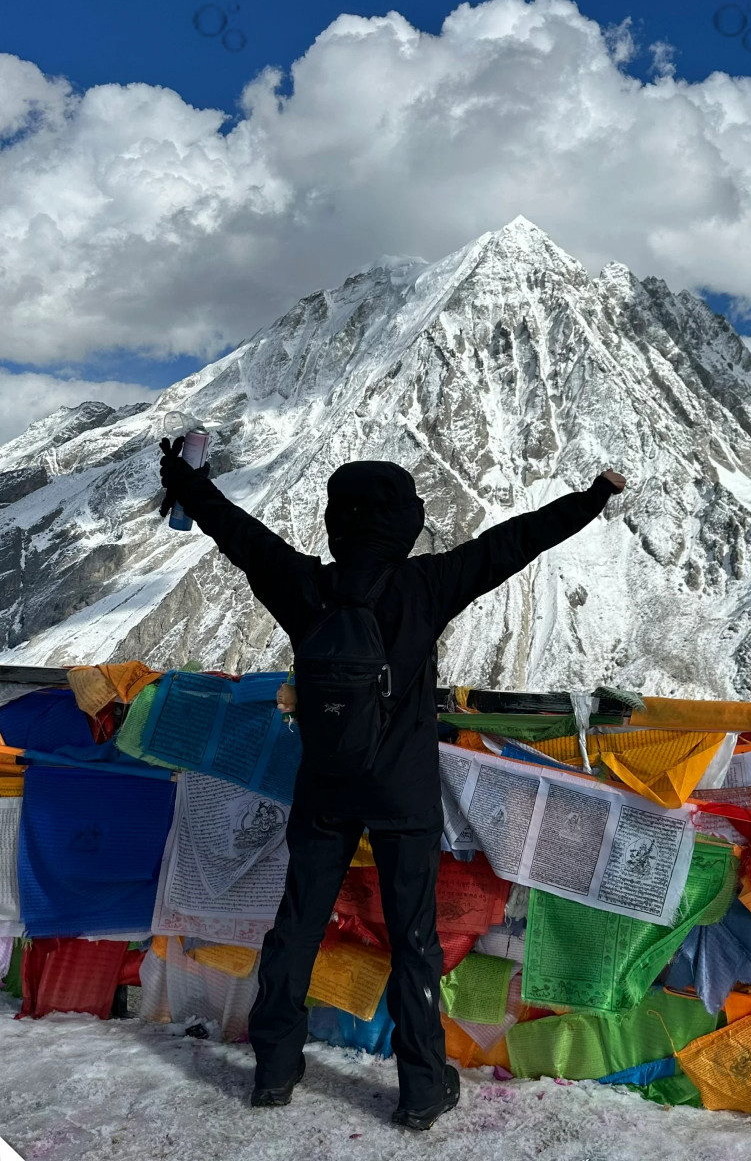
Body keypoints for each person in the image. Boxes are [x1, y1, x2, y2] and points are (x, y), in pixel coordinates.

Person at [158, 445, 626, 1129]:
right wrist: (592, 496)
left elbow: (235, 529)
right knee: (413, 941)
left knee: (296, 929)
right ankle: (422, 1086)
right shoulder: (427, 585)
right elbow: (518, 540)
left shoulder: (301, 584)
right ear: (404, 522)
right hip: (402, 795)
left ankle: (276, 1072)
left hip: (324, 788)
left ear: (335, 522)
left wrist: (185, 481)